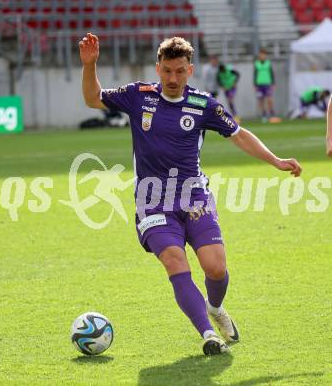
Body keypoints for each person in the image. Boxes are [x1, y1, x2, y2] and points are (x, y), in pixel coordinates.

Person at [79, 33, 302, 356]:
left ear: (190, 70)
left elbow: (239, 136)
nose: (173, 78)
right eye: (167, 70)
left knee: (215, 268)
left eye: (179, 71)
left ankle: (215, 307)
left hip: (194, 196)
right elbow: (92, 98)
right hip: (152, 200)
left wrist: (276, 160)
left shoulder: (204, 104)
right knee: (174, 260)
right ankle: (208, 333)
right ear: (158, 68)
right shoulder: (137, 95)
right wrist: (90, 65)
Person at [254, 48, 280, 123]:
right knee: (261, 100)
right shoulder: (256, 63)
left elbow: (271, 73)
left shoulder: (268, 63)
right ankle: (264, 115)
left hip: (267, 83)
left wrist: (273, 83)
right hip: (259, 84)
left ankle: (272, 114)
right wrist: (255, 84)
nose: (262, 56)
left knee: (269, 99)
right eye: (261, 54)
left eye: (263, 54)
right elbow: (255, 74)